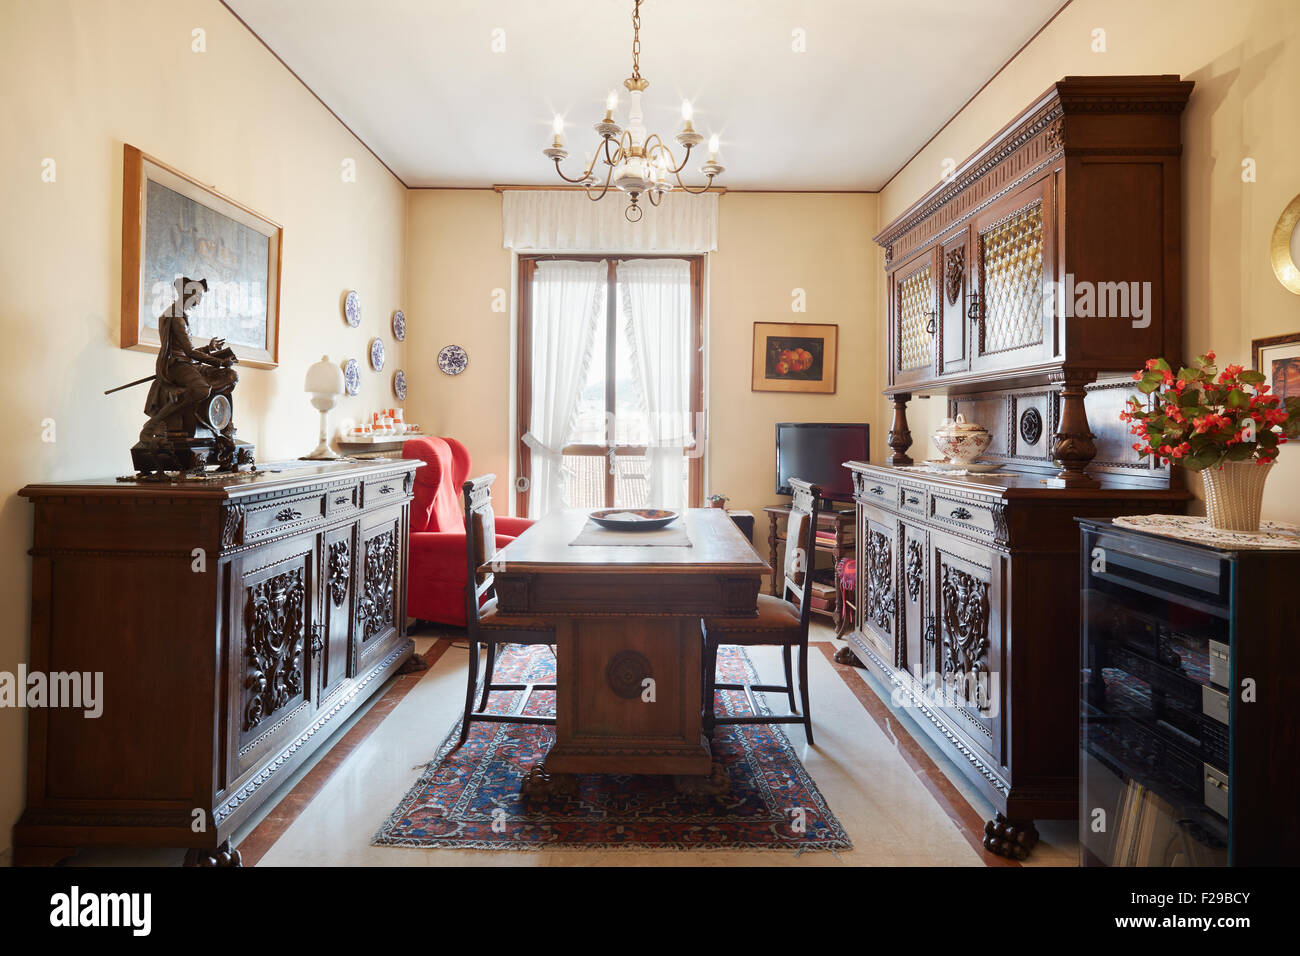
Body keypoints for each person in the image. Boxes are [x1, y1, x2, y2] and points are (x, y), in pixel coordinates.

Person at [140, 276, 238, 440]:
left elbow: (187, 352)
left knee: (231, 376)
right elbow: (189, 352)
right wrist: (220, 362)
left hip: (188, 363)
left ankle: (221, 422)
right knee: (202, 389)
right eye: (198, 296)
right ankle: (152, 425)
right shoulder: (175, 317)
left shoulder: (181, 314)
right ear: (187, 294)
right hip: (176, 366)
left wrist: (209, 348)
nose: (199, 301)